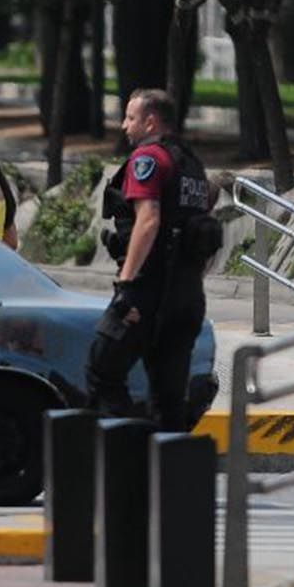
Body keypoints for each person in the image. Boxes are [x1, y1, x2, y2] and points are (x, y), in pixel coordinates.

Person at [87, 90, 219, 434]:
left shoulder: (148, 159)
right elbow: (203, 230)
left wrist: (126, 285)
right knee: (169, 398)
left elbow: (148, 221)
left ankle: (131, 452)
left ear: (150, 121)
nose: (124, 125)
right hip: (188, 295)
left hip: (148, 292)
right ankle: (166, 476)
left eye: (130, 117)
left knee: (101, 371)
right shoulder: (191, 163)